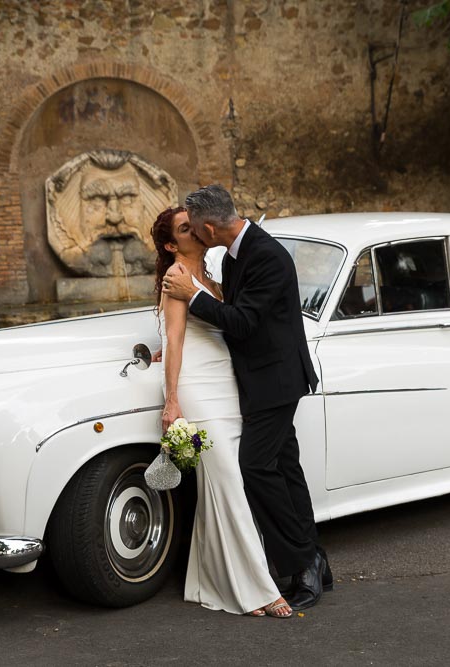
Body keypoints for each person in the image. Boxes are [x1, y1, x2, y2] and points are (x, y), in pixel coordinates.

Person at [162, 185, 331, 610]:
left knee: (256, 467)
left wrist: (195, 296)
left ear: (208, 227)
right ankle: (314, 559)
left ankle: (301, 560)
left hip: (276, 380)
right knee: (284, 467)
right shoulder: (235, 254)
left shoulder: (266, 255)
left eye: (195, 229)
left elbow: (243, 322)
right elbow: (199, 327)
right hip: (251, 381)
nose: (197, 237)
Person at [153, 206, 292, 618]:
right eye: (183, 228)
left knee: (223, 485)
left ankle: (209, 581)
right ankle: (257, 590)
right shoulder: (175, 277)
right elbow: (176, 339)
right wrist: (172, 398)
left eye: (192, 224)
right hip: (196, 390)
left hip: (228, 386)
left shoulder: (213, 279)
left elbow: (229, 326)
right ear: (170, 244)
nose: (192, 230)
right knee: (229, 479)